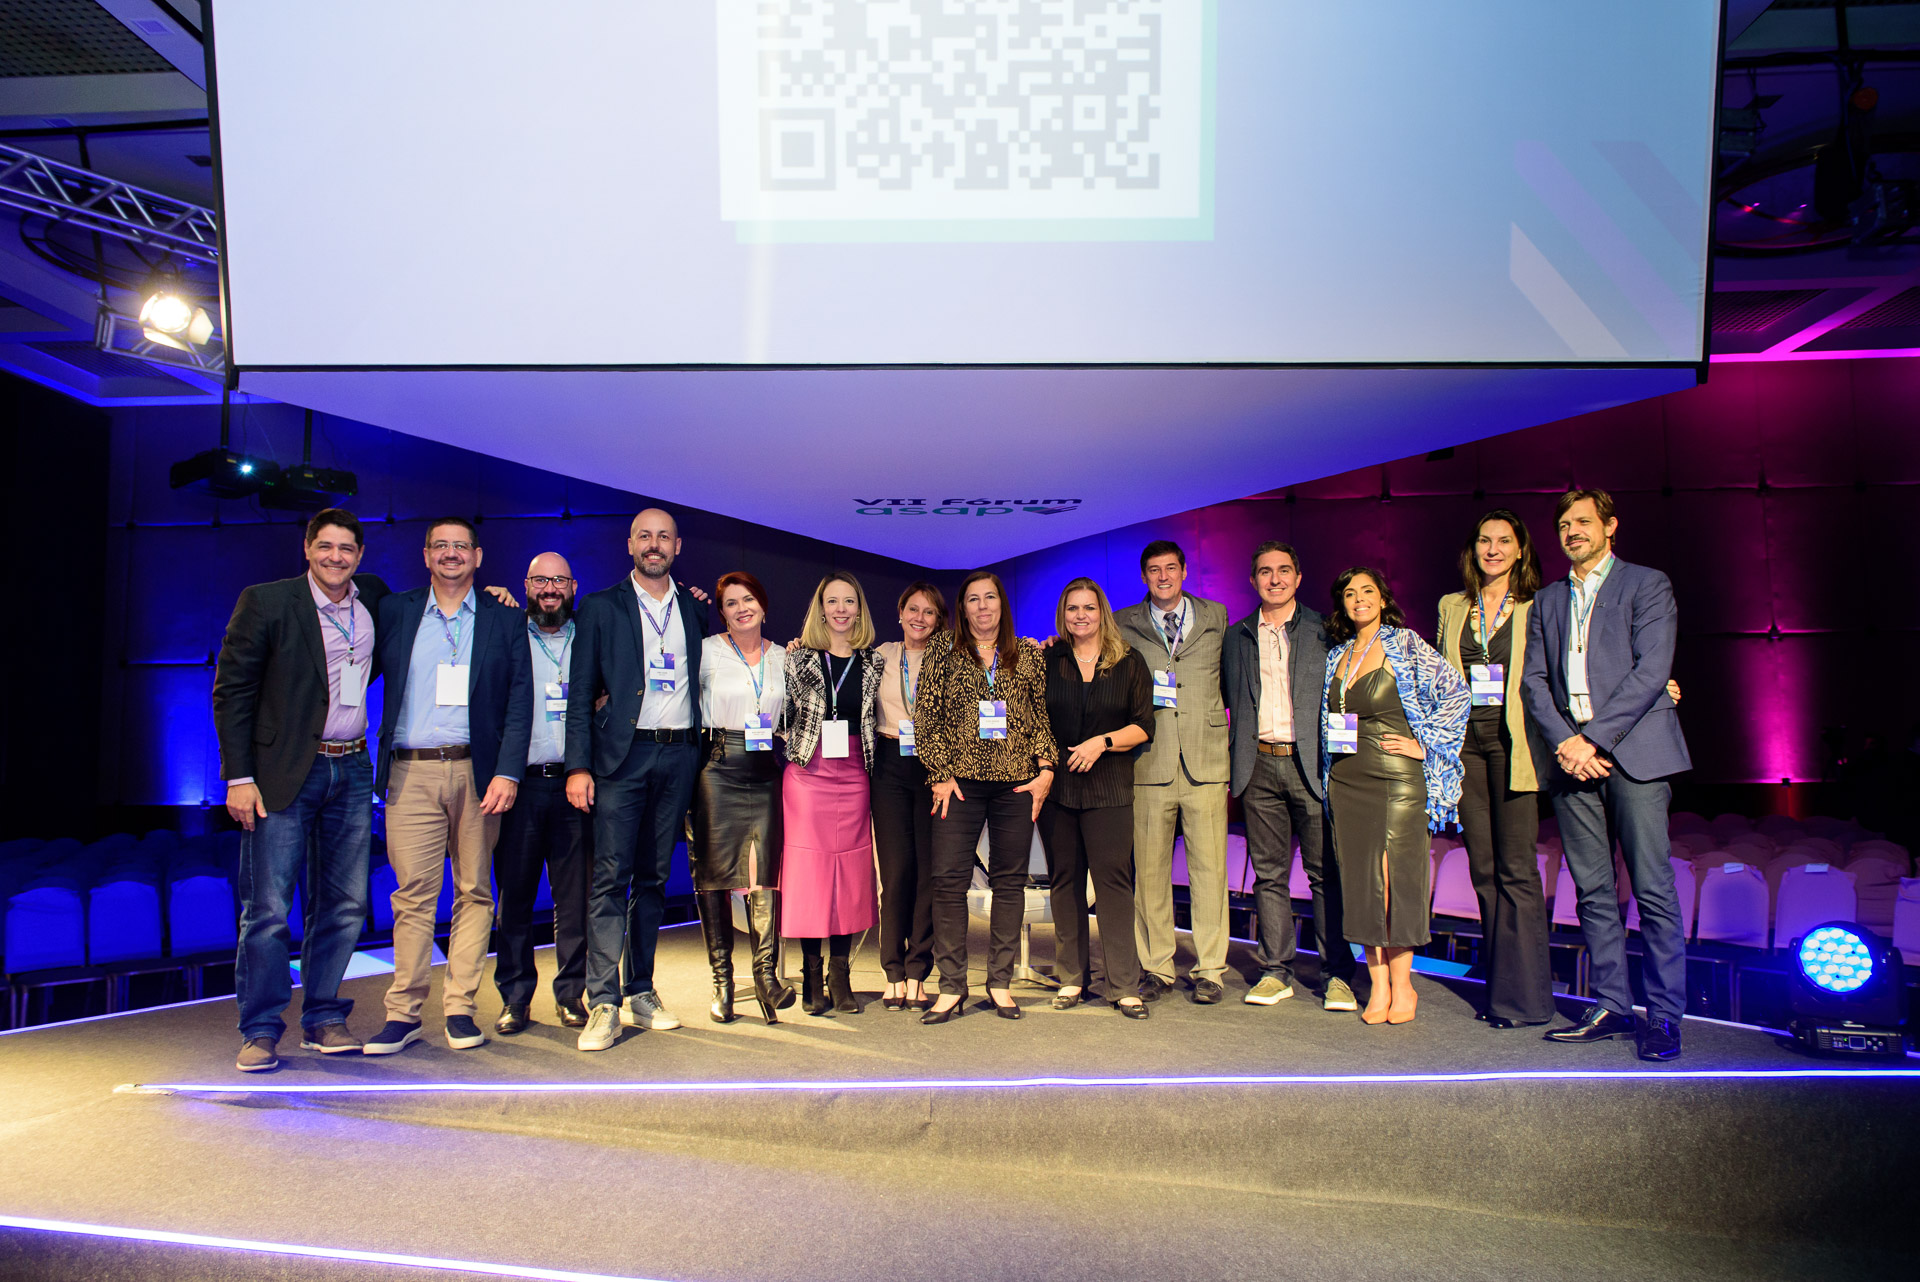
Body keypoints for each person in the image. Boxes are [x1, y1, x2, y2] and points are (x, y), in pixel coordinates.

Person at [213, 509, 389, 1072]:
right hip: (281, 772)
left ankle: (323, 1017)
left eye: (347, 548)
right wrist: (239, 777)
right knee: (268, 910)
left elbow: (431, 607)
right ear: (308, 548)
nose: (336, 557)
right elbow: (232, 692)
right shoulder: (267, 601)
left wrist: (495, 594)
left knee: (344, 904)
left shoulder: (374, 598)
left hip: (352, 767)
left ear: (360, 555)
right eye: (326, 547)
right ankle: (260, 1029)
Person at [1524, 489, 1692, 1062]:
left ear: (1610, 526)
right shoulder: (1547, 599)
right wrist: (1567, 743)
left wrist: (1591, 739)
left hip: (1633, 753)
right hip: (1572, 758)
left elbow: (1652, 671)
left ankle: (1664, 1016)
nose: (1573, 531)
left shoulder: (1646, 583)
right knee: (1592, 890)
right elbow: (1534, 682)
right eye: (1564, 525)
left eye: (1583, 522)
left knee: (1652, 889)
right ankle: (1613, 1005)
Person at [364, 518, 532, 1055]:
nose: (451, 554)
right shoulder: (395, 611)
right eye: (441, 546)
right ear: (425, 555)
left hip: (478, 773)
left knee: (475, 891)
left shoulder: (505, 619)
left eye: (461, 546)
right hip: (409, 770)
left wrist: (508, 771)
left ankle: (460, 1008)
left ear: (478, 556)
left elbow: (521, 701)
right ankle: (403, 1013)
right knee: (412, 896)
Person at [566, 508, 708, 1052]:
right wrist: (579, 766)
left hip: (678, 757)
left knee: (653, 879)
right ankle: (603, 1003)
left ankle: (641, 989)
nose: (654, 545)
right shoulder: (601, 606)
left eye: (663, 537)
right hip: (620, 761)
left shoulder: (694, 609)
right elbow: (581, 692)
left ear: (678, 546)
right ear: (630, 545)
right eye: (645, 536)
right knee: (610, 878)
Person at [1320, 567, 1469, 1026]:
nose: (1359, 599)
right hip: (1348, 780)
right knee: (1362, 885)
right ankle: (1378, 985)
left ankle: (1404, 985)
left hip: (1397, 778)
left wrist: (1426, 744)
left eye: (1367, 591)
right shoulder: (1338, 654)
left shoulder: (1404, 644)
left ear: (1382, 599)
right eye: (1350, 593)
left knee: (1395, 882)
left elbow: (1456, 693)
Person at [915, 570, 1058, 1023]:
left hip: (1016, 783)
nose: (982, 606)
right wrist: (940, 774)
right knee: (948, 882)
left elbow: (1040, 718)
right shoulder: (942, 648)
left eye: (990, 597)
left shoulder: (1026, 654)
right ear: (963, 608)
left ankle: (999, 983)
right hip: (958, 783)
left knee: (1009, 883)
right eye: (973, 599)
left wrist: (1046, 770)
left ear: (1002, 604)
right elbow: (926, 716)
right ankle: (951, 986)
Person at [1223, 541, 1357, 1013]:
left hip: (1312, 766)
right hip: (1257, 764)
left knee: (1325, 874)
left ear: (1298, 578)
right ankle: (1275, 970)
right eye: (1265, 571)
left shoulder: (1327, 630)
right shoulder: (1236, 636)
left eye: (1284, 570)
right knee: (1269, 876)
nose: (1275, 579)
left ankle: (1336, 974)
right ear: (1253, 580)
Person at [1434, 512, 1554, 1028]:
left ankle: (1528, 1000)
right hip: (1466, 746)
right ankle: (1501, 990)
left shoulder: (1538, 604)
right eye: (1485, 540)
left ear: (1520, 549)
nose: (1493, 549)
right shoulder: (1452, 605)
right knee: (1483, 869)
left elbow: (1567, 666)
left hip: (1514, 744)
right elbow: (1441, 677)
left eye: (1504, 541)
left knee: (1517, 870)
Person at [1115, 541, 1232, 1004]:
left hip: (1206, 759)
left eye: (1170, 568)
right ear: (1144, 576)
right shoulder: (1123, 622)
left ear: (1184, 571)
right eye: (1154, 570)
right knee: (1149, 874)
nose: (1162, 577)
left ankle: (1210, 969)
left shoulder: (1217, 616)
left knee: (1210, 872)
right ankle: (1157, 967)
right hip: (1149, 760)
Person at [1038, 579, 1153, 1018]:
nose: (1080, 616)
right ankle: (1072, 978)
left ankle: (1123, 984)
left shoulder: (1129, 661)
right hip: (1059, 791)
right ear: (1063, 615)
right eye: (1073, 609)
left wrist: (1101, 742)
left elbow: (1143, 725)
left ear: (1101, 611)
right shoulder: (1049, 660)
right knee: (1064, 884)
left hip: (1110, 789)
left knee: (1113, 885)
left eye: (1088, 608)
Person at [493, 553, 594, 1036]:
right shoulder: (508, 633)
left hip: (577, 783)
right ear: (525, 585)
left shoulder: (590, 635)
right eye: (540, 580)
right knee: (514, 898)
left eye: (558, 580)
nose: (549, 588)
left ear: (573, 587)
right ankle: (515, 998)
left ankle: (571, 994)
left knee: (574, 900)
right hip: (520, 785)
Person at [691, 571, 795, 1024]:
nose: (741, 608)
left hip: (766, 768)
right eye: (731, 603)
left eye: (748, 599)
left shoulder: (785, 657)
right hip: (718, 767)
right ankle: (722, 983)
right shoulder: (707, 651)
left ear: (763, 606)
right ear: (722, 613)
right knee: (715, 875)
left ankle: (765, 976)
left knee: (762, 873)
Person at [779, 574, 884, 1016]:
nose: (841, 609)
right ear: (821, 609)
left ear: (859, 609)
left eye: (849, 601)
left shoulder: (875, 662)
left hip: (855, 772)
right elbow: (782, 712)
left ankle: (840, 974)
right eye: (833, 601)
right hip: (809, 773)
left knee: (850, 871)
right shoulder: (797, 658)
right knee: (811, 874)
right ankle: (810, 972)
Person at [871, 582, 946, 1011]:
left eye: (929, 612)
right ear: (900, 613)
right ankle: (893, 970)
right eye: (913, 609)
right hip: (889, 765)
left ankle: (918, 970)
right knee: (896, 872)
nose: (920, 618)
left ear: (938, 620)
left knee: (928, 874)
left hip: (934, 768)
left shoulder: (949, 659)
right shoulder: (879, 655)